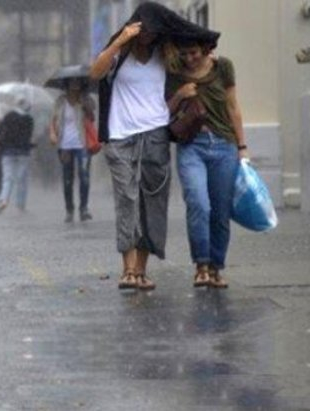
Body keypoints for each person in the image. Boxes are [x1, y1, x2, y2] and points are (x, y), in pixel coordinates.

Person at [89, 2, 220, 291]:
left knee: (153, 202)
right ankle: (127, 269)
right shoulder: (120, 52)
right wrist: (121, 39)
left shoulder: (165, 54)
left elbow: (199, 41)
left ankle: (141, 270)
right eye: (144, 31)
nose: (148, 37)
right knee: (127, 199)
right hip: (121, 136)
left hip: (156, 135)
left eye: (154, 32)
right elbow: (95, 73)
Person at [166, 38, 247, 289]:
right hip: (192, 146)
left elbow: (233, 106)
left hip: (224, 145)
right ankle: (201, 264)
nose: (189, 58)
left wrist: (242, 147)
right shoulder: (174, 71)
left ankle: (216, 267)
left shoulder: (223, 67)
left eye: (194, 53)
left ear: (206, 50)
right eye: (185, 53)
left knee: (221, 211)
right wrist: (180, 94)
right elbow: (162, 110)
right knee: (198, 203)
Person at [49, 77, 96, 223]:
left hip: (82, 145)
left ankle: (84, 209)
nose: (75, 85)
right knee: (68, 179)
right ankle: (69, 210)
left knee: (84, 178)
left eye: (78, 82)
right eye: (72, 83)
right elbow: (54, 120)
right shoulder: (60, 101)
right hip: (65, 145)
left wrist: (85, 105)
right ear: (66, 85)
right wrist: (53, 134)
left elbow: (92, 118)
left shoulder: (86, 99)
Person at [0, 98, 34, 214]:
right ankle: (20, 205)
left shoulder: (8, 116)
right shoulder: (29, 119)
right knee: (21, 179)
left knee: (7, 178)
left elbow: (2, 131)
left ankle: (4, 200)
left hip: (8, 151)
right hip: (23, 152)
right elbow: (28, 136)